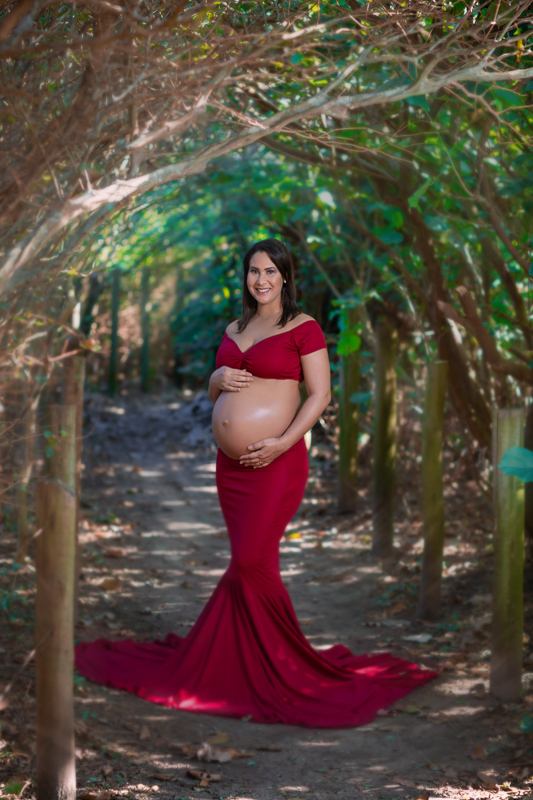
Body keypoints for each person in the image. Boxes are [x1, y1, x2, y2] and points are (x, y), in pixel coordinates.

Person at [75, 238, 437, 727]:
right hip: (232, 469)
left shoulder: (302, 328)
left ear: (285, 276)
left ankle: (283, 669)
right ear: (245, 276)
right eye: (253, 271)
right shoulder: (234, 327)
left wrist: (284, 442)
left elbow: (320, 396)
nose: (261, 280)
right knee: (250, 563)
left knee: (251, 561)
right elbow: (212, 392)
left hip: (278, 463)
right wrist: (218, 376)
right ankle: (246, 662)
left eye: (270, 271)